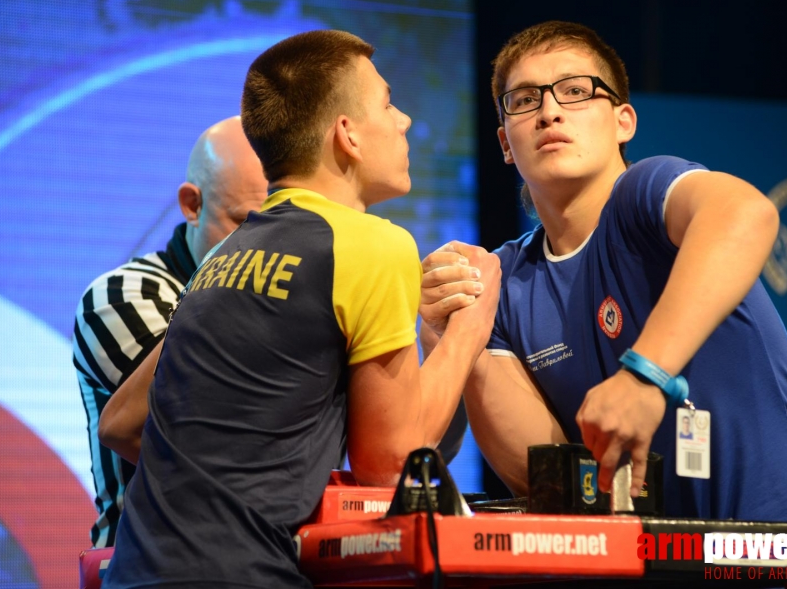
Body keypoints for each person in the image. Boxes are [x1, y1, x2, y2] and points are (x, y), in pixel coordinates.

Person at [101, 29, 499, 589]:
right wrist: (467, 332)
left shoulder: (221, 258)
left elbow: (120, 424)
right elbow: (390, 465)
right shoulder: (371, 244)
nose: (404, 119)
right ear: (348, 136)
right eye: (387, 103)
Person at [421, 20, 787, 524]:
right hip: (643, 565)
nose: (550, 111)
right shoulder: (502, 280)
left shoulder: (645, 193)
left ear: (623, 121)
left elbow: (747, 215)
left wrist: (645, 377)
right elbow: (548, 479)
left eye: (575, 92)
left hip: (774, 547)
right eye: (526, 100)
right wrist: (454, 336)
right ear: (506, 143)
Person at [72, 115, 268, 548]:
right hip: (148, 562)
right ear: (192, 204)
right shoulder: (123, 295)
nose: (264, 251)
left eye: (280, 230)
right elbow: (207, 438)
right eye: (245, 225)